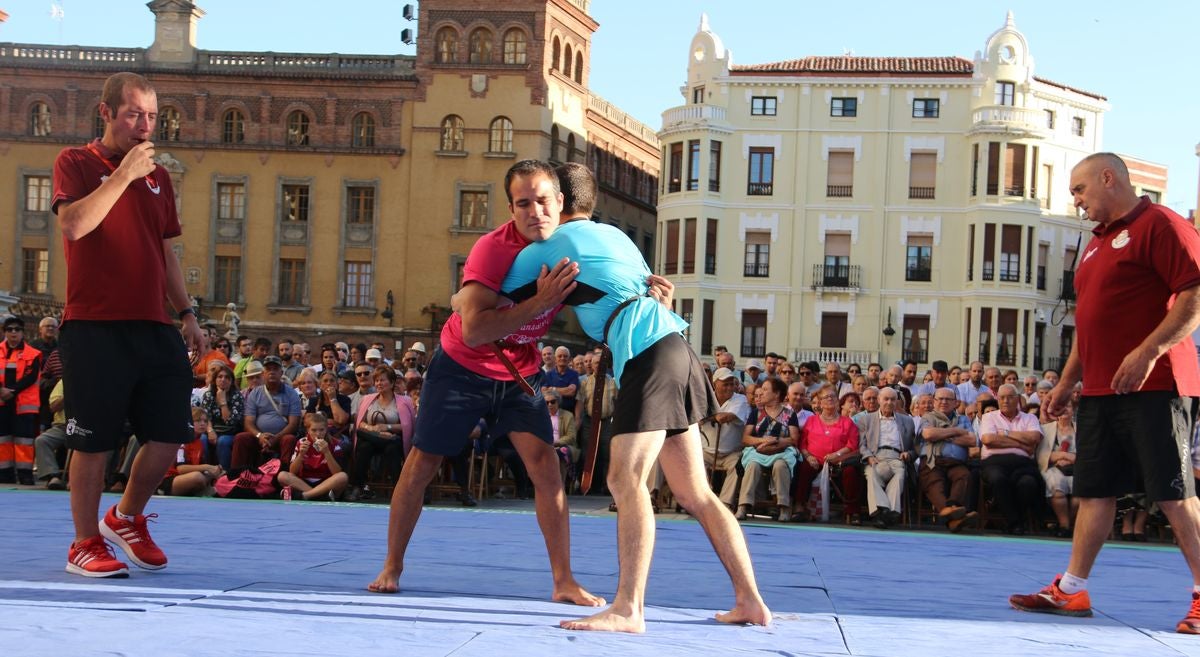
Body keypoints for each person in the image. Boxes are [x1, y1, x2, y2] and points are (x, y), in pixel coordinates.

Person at [500, 161, 770, 632]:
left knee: (625, 478)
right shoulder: (619, 238)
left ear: (559, 201)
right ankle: (750, 600)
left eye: (542, 199)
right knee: (694, 492)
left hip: (648, 353)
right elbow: (653, 289)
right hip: (677, 347)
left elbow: (489, 292)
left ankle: (628, 608)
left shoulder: (554, 243)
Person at [367, 160, 603, 608]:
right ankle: (392, 566)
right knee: (422, 464)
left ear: (560, 202)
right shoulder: (493, 250)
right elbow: (475, 330)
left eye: (543, 200)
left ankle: (564, 580)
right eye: (523, 203)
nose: (535, 211)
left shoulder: (574, 245)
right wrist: (543, 301)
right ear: (511, 208)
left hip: (520, 373)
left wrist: (649, 295)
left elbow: (610, 285)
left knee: (546, 467)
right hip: (462, 366)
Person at [1010, 153, 1200, 633]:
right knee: (1094, 493)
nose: (1075, 201)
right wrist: (1068, 380)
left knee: (1174, 495)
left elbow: (1195, 293)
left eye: (1079, 190)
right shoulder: (1094, 245)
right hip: (1099, 391)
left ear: (1108, 178)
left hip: (1157, 384)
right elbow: (1090, 325)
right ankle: (1071, 590)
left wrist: (1148, 351)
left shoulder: (1161, 224)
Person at [52, 72, 205, 577]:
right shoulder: (76, 162)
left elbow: (165, 251)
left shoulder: (159, 178)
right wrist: (121, 176)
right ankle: (83, 543)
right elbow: (74, 225)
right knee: (93, 440)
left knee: (169, 433)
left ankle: (126, 516)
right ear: (106, 113)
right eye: (133, 114)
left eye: (152, 116)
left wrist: (185, 312)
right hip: (95, 324)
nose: (145, 126)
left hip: (153, 324)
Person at [0, 315, 43, 485]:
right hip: (2, 402)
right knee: (3, 439)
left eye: (17, 329)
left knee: (24, 440)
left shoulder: (33, 354)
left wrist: (12, 391)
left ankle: (25, 473)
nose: (13, 333)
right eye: (10, 329)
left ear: (22, 333)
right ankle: (4, 473)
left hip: (23, 404)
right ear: (5, 332)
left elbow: (31, 377)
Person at [278, 412, 349, 502]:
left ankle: (305, 495)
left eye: (321, 430)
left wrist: (327, 452)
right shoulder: (301, 442)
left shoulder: (334, 444)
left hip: (325, 483)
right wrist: (301, 455)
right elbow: (292, 471)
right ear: (308, 430)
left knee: (342, 477)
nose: (318, 434)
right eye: (314, 430)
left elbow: (336, 472)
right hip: (304, 482)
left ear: (326, 430)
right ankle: (319, 497)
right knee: (282, 475)